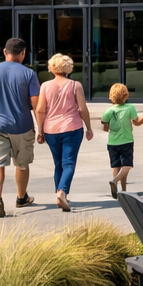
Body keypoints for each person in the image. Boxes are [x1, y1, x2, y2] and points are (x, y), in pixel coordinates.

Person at [0, 37, 40, 218]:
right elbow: (36, 104)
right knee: (22, 164)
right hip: (23, 125)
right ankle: (21, 197)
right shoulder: (29, 74)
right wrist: (40, 127)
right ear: (23, 53)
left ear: (5, 51)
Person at [34, 53, 93, 211]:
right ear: (68, 68)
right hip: (72, 128)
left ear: (52, 68)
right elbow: (82, 108)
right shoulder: (75, 85)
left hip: (51, 130)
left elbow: (40, 110)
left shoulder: (45, 86)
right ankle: (62, 192)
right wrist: (89, 127)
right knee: (69, 163)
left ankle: (59, 193)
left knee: (58, 163)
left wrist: (40, 130)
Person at [101, 83, 139, 199]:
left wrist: (108, 128)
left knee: (116, 166)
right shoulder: (130, 108)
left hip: (112, 142)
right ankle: (117, 182)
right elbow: (136, 121)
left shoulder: (108, 110)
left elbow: (104, 125)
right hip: (126, 140)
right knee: (127, 166)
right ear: (126, 95)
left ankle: (119, 188)